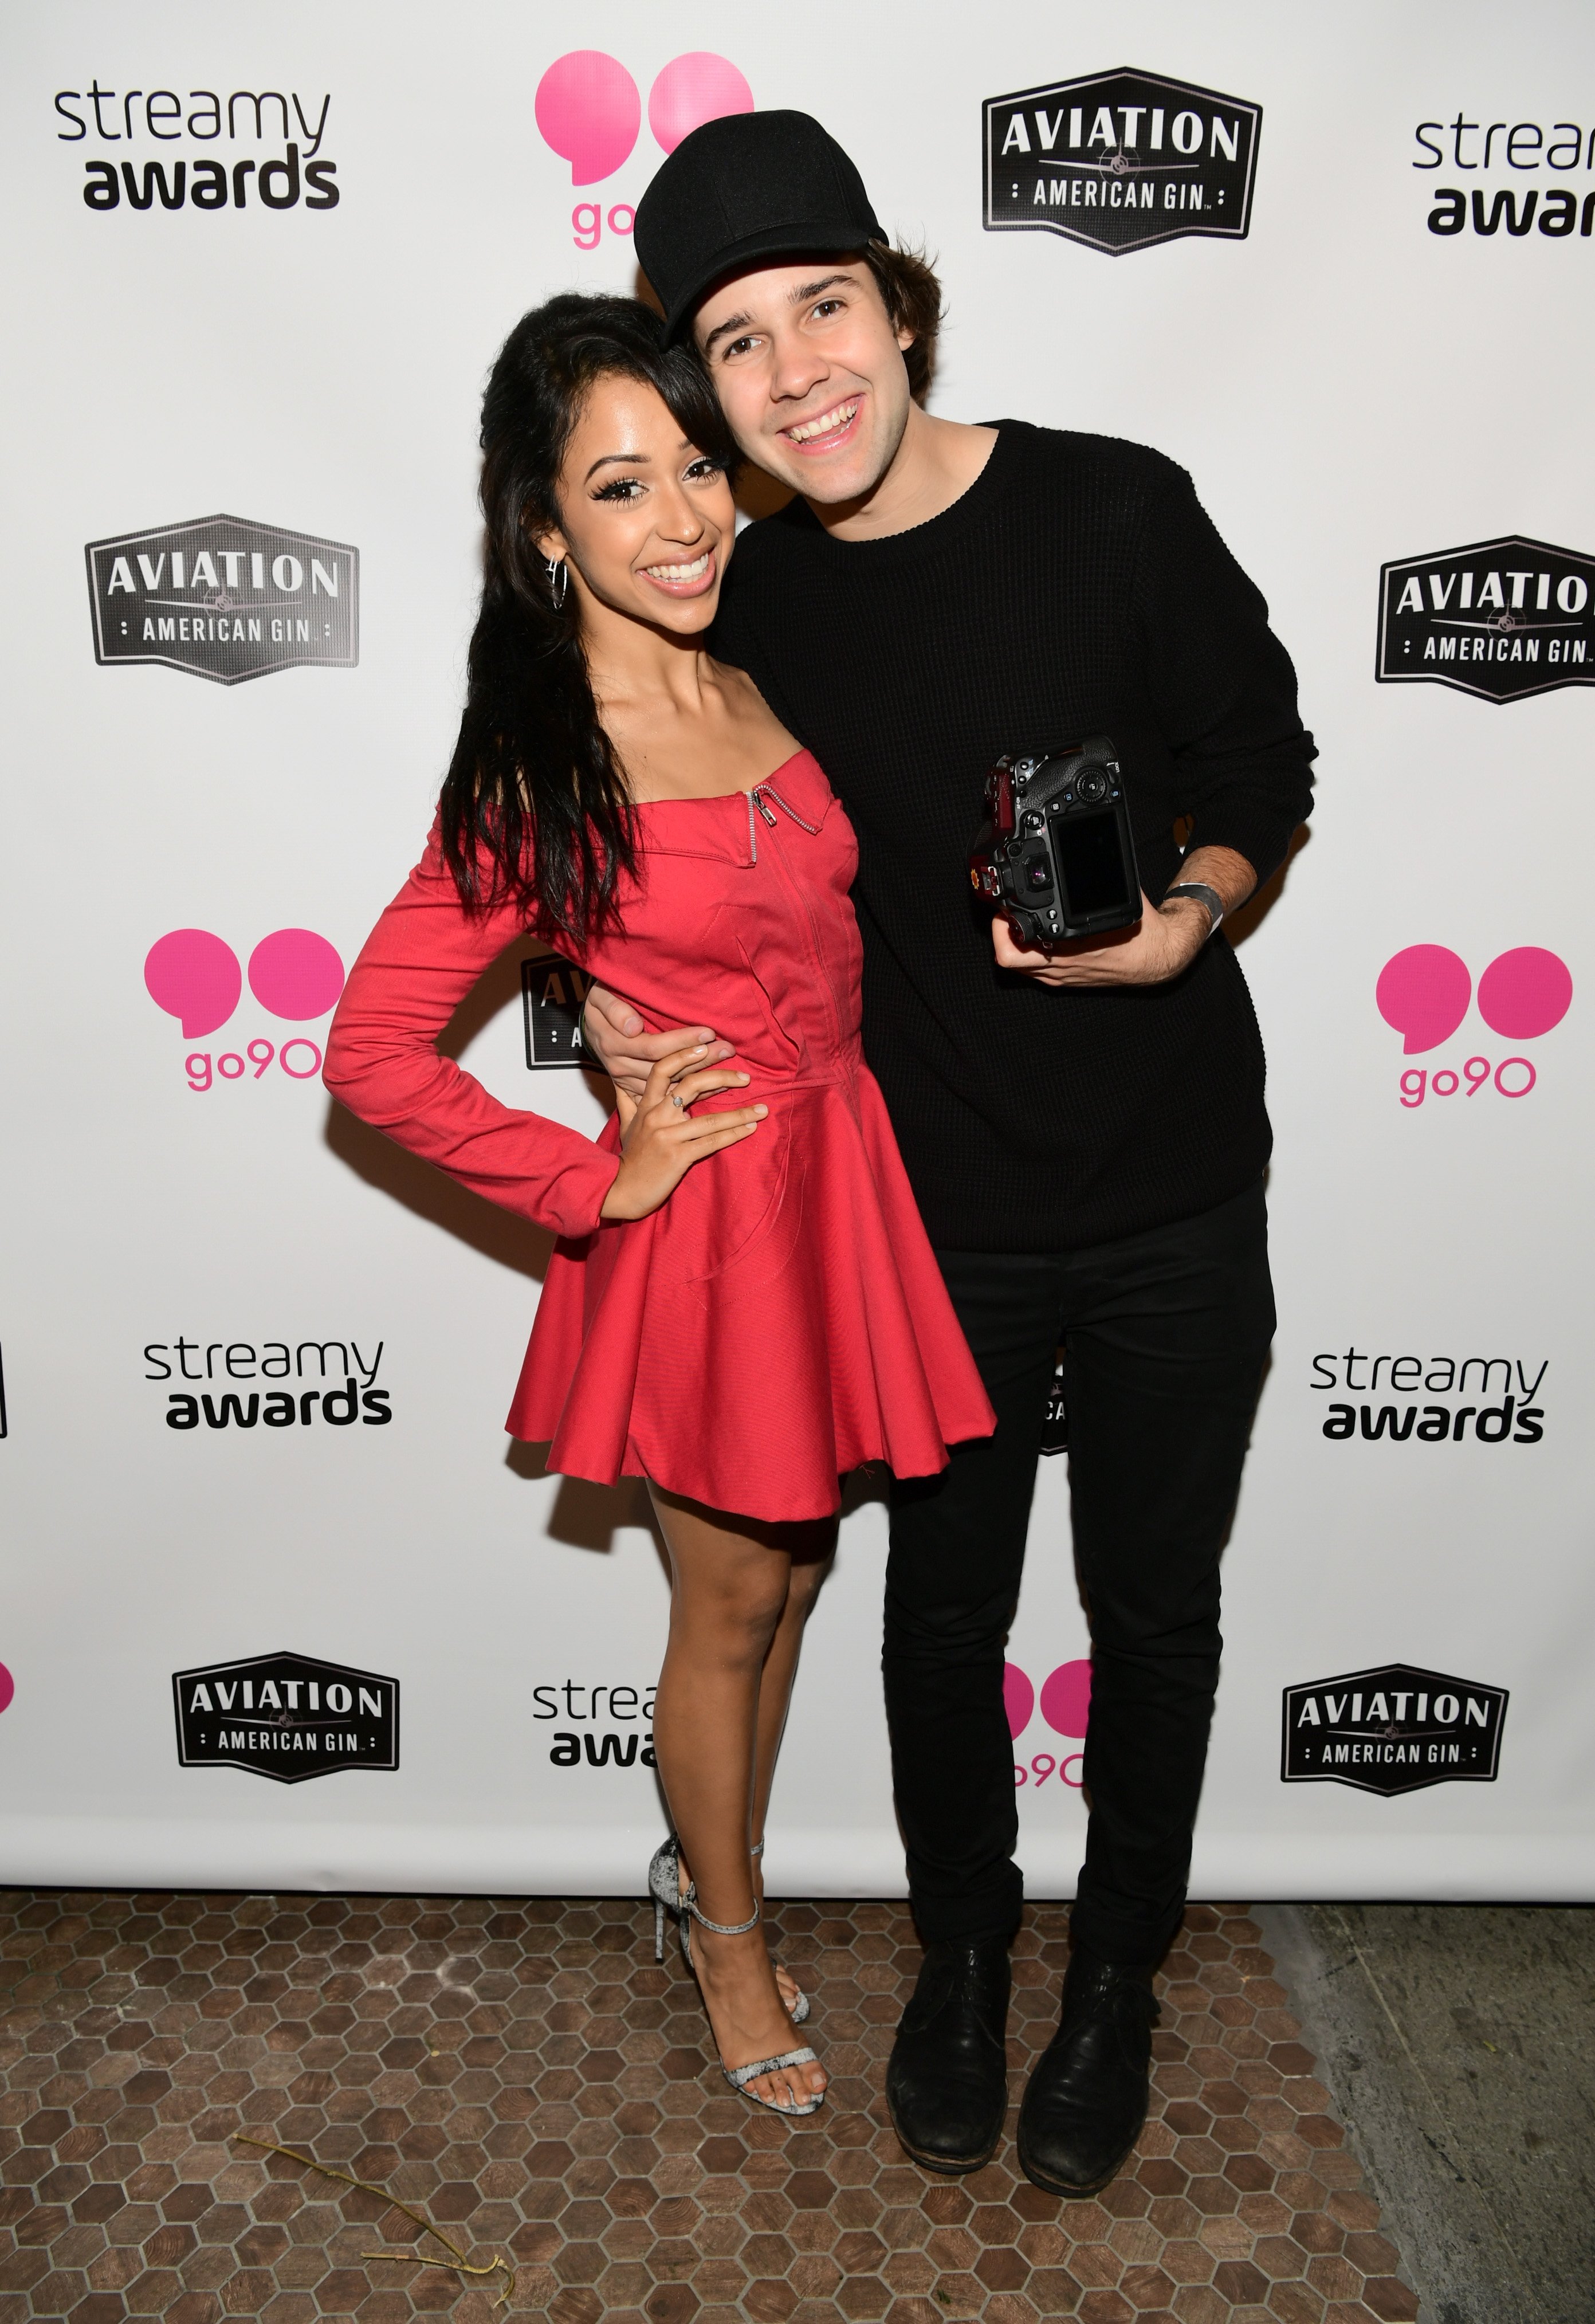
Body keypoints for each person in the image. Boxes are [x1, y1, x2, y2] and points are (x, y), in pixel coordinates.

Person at [576, 111, 1317, 2195]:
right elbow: (630, 825)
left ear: (899, 306)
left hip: (1177, 1189)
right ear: (706, 396)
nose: (799, 365)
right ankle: (969, 1965)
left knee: (1157, 1617)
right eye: (737, 340)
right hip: (931, 1223)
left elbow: (1264, 754)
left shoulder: (1115, 509)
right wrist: (603, 1014)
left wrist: (1190, 913)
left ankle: (1116, 1988)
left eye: (826, 303)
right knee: (939, 1624)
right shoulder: (755, 605)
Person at [322, 294, 995, 2122]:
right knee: (725, 1611)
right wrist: (590, 1171)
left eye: (699, 464)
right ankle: (725, 1940)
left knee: (790, 1578)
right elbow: (372, 1049)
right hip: (710, 1240)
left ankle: (721, 1871)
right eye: (624, 486)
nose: (686, 516)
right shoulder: (553, 770)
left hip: (845, 1184)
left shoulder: (762, 663)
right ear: (547, 531)